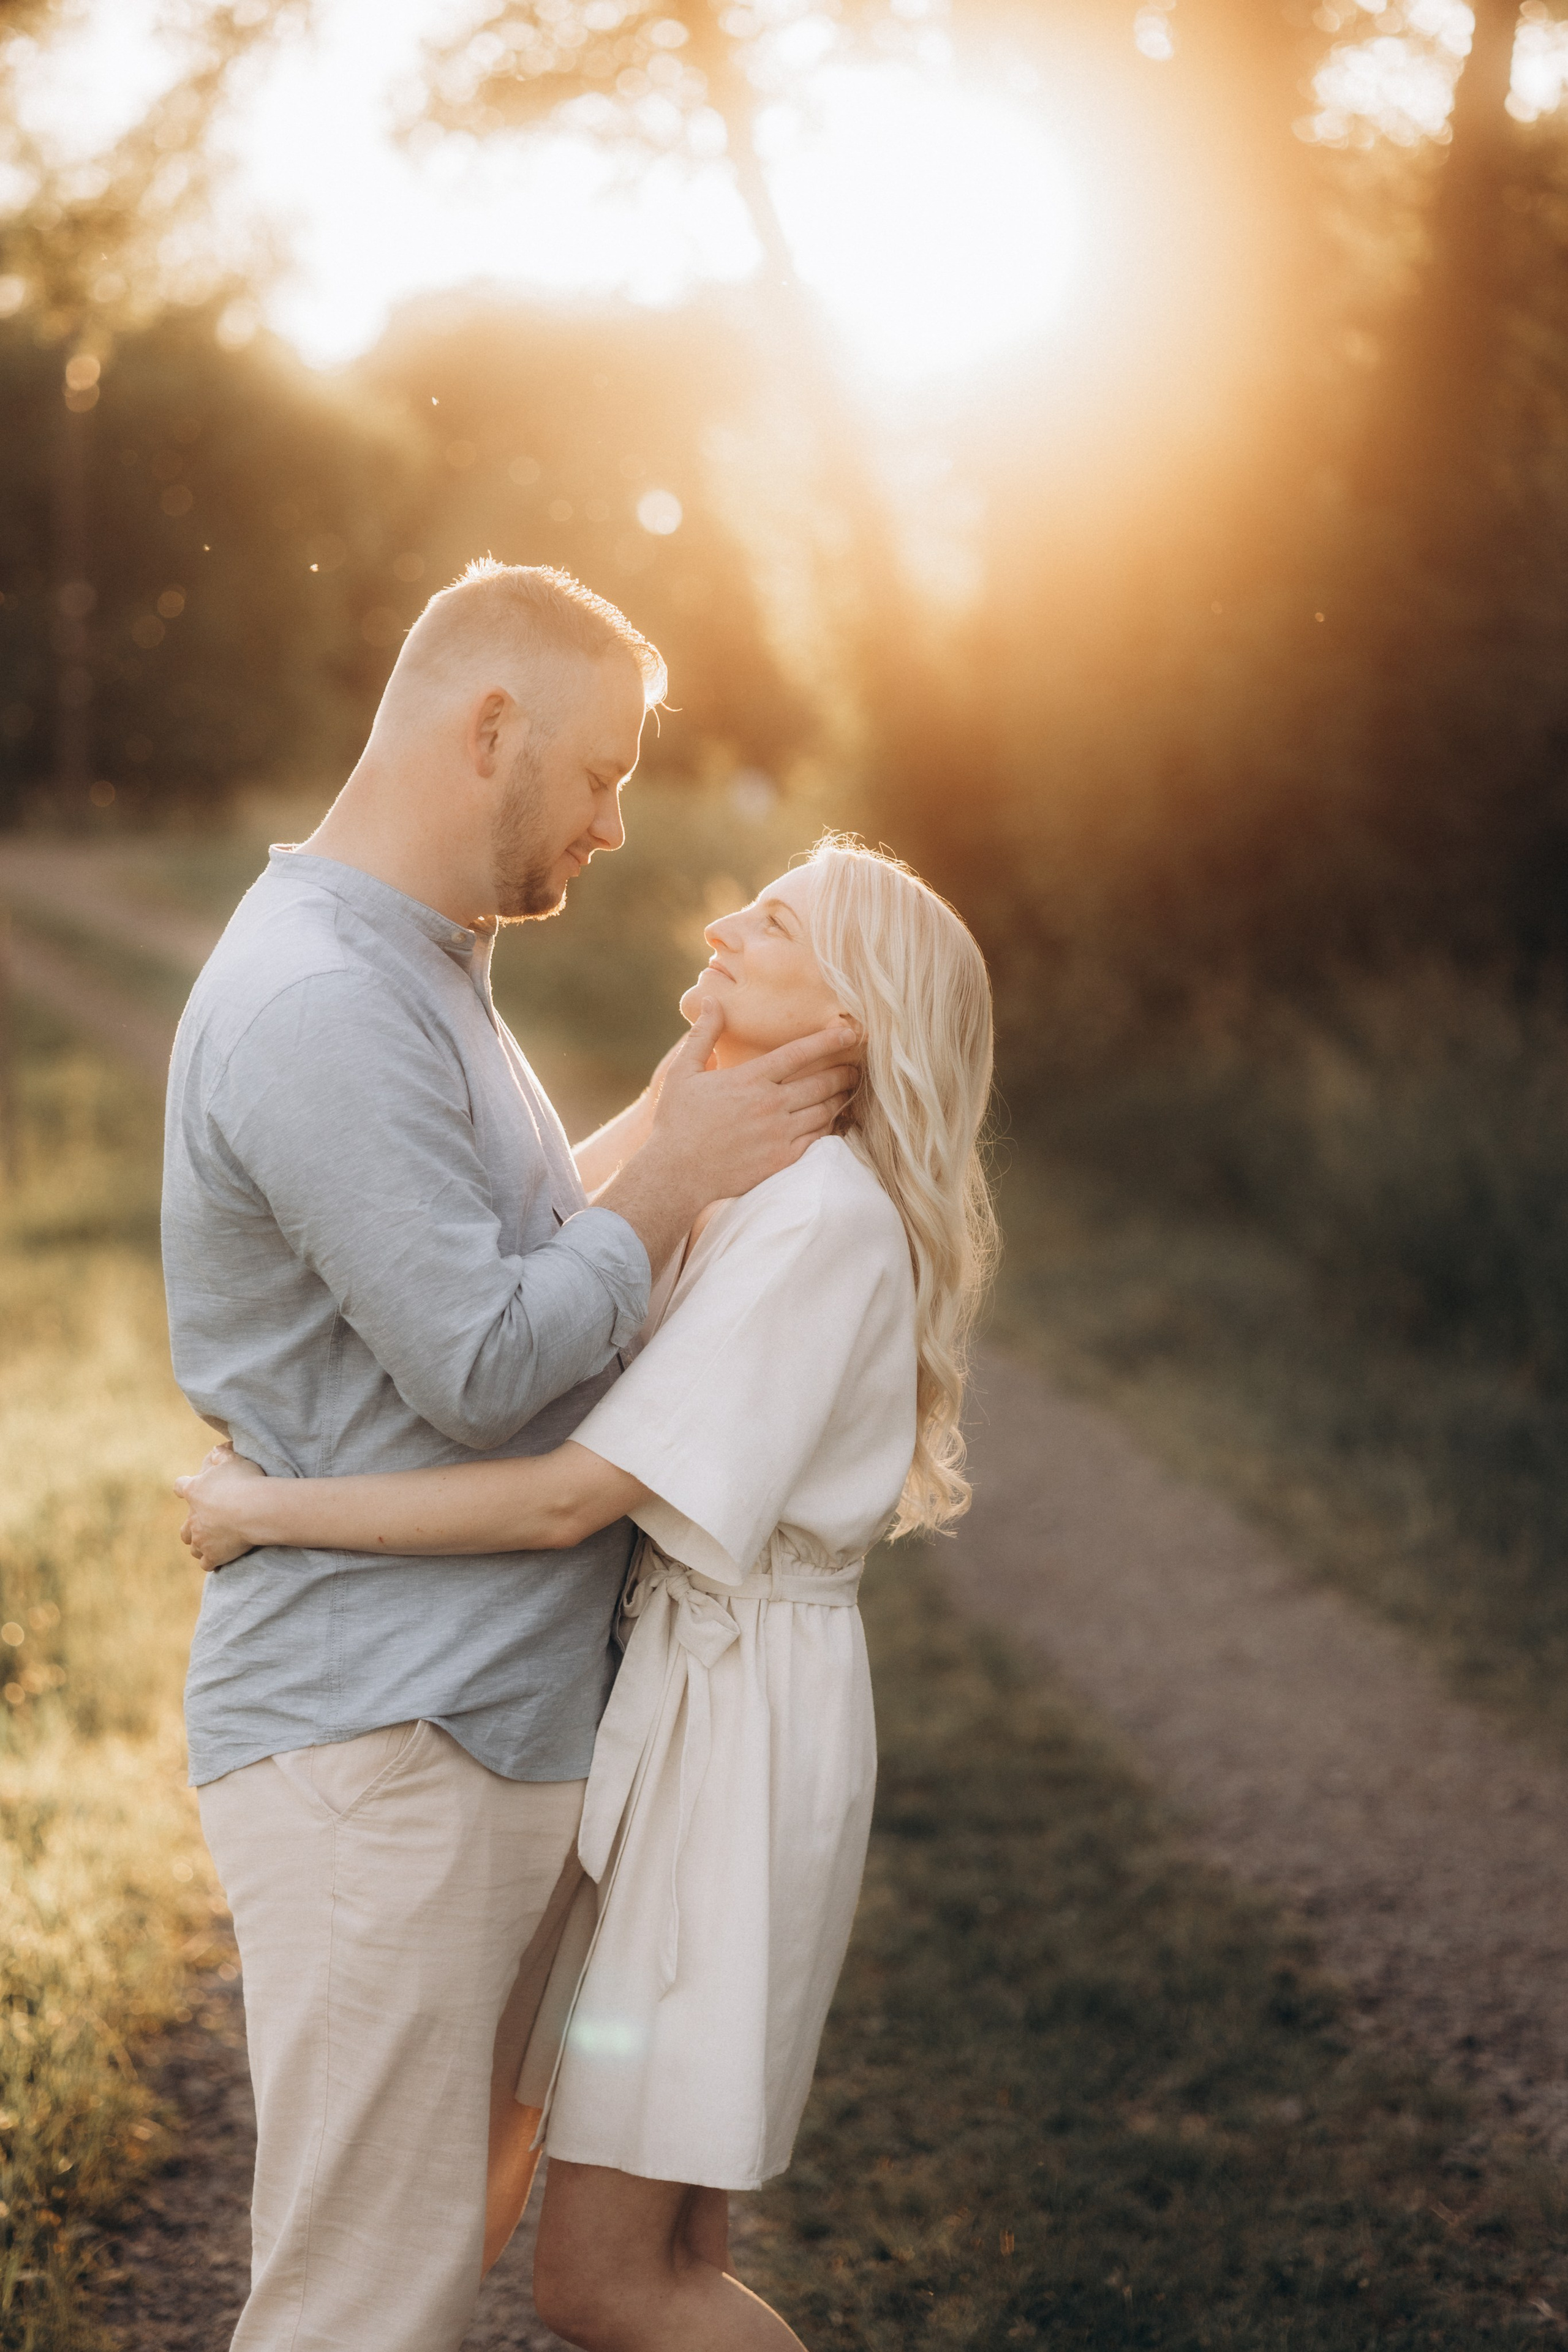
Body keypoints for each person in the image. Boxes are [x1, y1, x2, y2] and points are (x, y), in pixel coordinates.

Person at [162, 558, 858, 2352]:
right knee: (356, 2313)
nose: (619, 823)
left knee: (416, 2285)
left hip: (472, 1726)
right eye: (604, 772)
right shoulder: (325, 999)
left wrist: (688, 1107)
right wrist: (684, 1170)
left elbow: (525, 1238)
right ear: (491, 730)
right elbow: (481, 1362)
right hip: (385, 1740)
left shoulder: (419, 965)